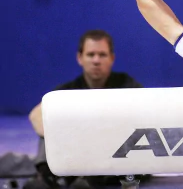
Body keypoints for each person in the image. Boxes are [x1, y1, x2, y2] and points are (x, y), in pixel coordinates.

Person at [26, 30, 143, 189]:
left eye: (102, 55)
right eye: (90, 54)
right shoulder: (68, 91)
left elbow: (144, 115)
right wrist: (69, 135)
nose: (96, 60)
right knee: (50, 121)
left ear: (112, 59)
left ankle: (86, 179)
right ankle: (48, 178)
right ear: (80, 58)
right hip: (75, 154)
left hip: (112, 159)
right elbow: (36, 115)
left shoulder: (127, 86)